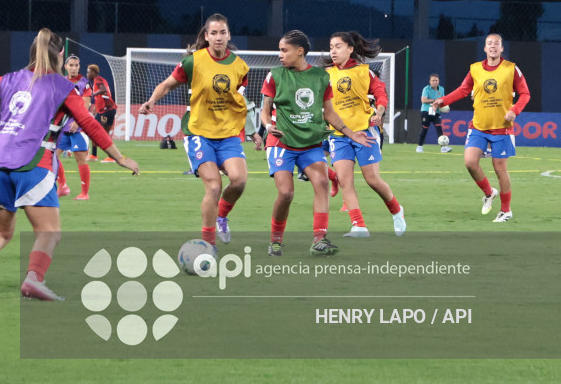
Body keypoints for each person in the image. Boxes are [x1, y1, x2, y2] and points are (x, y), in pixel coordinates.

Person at [0, 28, 139, 300]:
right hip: (34, 165)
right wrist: (120, 157)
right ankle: (34, 279)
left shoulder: (10, 79)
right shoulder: (61, 86)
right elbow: (89, 123)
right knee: (49, 233)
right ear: (60, 55)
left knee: (0, 231)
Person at [261, 30, 376, 257]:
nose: (280, 55)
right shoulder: (274, 75)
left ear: (300, 51)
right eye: (280, 50)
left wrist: (351, 133)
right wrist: (267, 126)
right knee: (286, 193)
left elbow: (330, 114)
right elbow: (265, 112)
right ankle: (275, 240)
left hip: (311, 143)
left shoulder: (321, 77)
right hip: (281, 143)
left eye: (284, 50)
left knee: (322, 183)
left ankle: (319, 240)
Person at [139, 13, 249, 246]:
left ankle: (221, 216)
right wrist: (152, 100)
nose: (218, 37)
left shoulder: (240, 66)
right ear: (206, 36)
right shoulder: (193, 61)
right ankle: (208, 245)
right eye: (214, 33)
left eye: (223, 33)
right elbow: (167, 84)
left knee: (239, 181)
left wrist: (251, 130)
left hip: (227, 135)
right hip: (199, 133)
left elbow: (238, 101)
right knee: (214, 185)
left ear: (229, 35)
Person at [432, 33, 530, 223]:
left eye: (497, 44)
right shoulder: (475, 69)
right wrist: (444, 99)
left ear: (502, 49)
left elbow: (525, 93)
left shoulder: (511, 69)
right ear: (485, 48)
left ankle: (506, 210)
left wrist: (515, 111)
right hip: (478, 126)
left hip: (502, 128)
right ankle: (489, 192)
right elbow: (463, 90)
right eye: (489, 44)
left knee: (500, 169)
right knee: (470, 162)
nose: (493, 46)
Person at [325, 31, 407, 237]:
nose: (333, 51)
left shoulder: (365, 72)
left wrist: (379, 113)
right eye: (331, 47)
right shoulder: (325, 74)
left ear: (350, 49)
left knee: (372, 180)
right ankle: (359, 226)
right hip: (339, 135)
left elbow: (381, 94)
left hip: (364, 132)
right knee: (345, 180)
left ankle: (397, 211)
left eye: (338, 46)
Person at [55, 54, 93, 200]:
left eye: (76, 65)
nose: (74, 68)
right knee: (51, 155)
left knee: (80, 160)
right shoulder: (62, 82)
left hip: (79, 128)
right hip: (63, 127)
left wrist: (77, 122)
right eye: (71, 65)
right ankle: (63, 186)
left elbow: (85, 105)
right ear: (65, 67)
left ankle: (84, 193)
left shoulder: (84, 83)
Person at [86, 64, 118, 163]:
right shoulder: (100, 80)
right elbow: (103, 96)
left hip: (106, 110)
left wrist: (92, 94)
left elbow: (103, 90)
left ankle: (108, 156)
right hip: (106, 110)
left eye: (88, 72)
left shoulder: (98, 80)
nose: (87, 74)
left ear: (93, 72)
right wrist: (96, 108)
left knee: (98, 132)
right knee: (100, 133)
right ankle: (95, 155)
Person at [417, 73, 452, 153]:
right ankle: (419, 146)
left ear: (438, 81)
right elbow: (423, 100)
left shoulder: (441, 89)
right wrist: (435, 100)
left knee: (439, 128)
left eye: (436, 80)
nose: (435, 82)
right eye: (433, 80)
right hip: (426, 110)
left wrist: (445, 108)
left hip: (436, 111)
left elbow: (443, 100)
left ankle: (443, 148)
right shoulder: (426, 89)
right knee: (425, 129)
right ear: (430, 81)